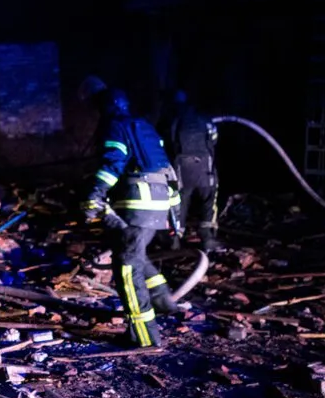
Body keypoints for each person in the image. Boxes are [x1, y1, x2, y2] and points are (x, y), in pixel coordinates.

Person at [81, 88, 183, 348]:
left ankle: (145, 336)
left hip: (139, 204)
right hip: (159, 203)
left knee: (127, 268)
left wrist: (95, 195)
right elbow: (168, 170)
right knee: (134, 253)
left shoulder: (116, 127)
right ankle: (162, 299)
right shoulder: (144, 128)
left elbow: (113, 163)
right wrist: (175, 217)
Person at [159, 89, 223, 252]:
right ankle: (207, 236)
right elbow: (214, 139)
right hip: (204, 167)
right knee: (209, 199)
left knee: (180, 201)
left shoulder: (172, 119)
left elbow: (169, 142)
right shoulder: (203, 119)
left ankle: (175, 238)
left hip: (182, 166)